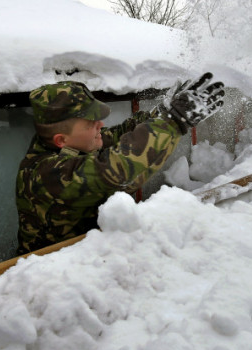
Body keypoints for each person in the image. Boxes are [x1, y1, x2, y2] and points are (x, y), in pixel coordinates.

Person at [15, 74, 225, 252]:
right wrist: (174, 122)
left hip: (90, 260)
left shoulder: (69, 143)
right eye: (91, 123)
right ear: (62, 140)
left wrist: (162, 112)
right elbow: (117, 170)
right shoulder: (46, 175)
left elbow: (117, 136)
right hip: (54, 280)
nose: (101, 125)